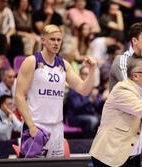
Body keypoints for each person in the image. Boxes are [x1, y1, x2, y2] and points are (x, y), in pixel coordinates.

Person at [15, 24, 96, 158]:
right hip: (37, 126)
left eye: (59, 40)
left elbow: (84, 90)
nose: (56, 43)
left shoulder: (64, 65)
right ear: (43, 40)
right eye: (52, 39)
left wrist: (92, 71)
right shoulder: (32, 61)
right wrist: (31, 126)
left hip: (57, 128)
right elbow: (19, 96)